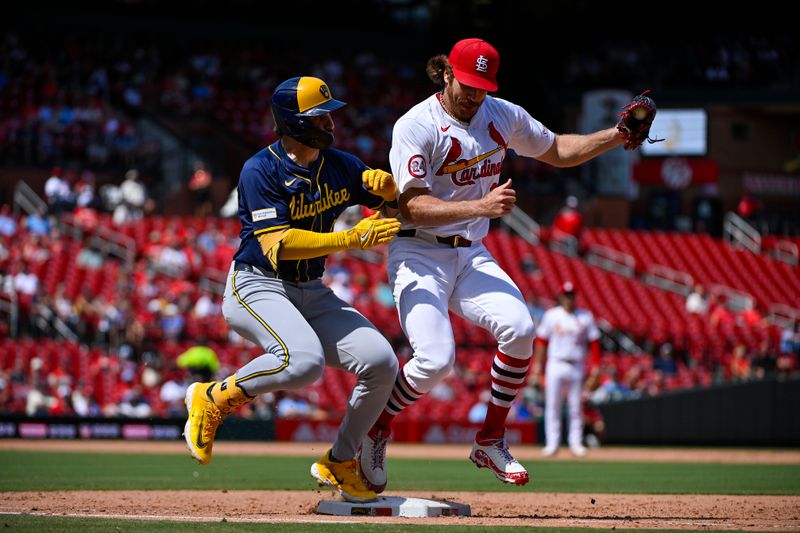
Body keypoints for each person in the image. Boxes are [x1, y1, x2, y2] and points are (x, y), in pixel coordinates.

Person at [359, 37, 642, 492]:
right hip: (418, 252)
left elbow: (559, 151)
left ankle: (490, 438)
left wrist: (616, 135)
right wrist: (482, 206)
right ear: (446, 74)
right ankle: (376, 429)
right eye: (467, 83)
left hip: (469, 252)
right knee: (435, 363)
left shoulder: (502, 114)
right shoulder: (415, 125)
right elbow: (411, 207)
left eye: (482, 86)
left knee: (522, 329)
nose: (474, 94)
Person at [182, 76, 400, 504]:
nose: (329, 122)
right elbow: (277, 245)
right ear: (293, 123)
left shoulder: (340, 163)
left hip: (310, 289)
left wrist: (390, 193)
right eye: (318, 115)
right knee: (304, 363)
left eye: (329, 113)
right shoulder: (259, 169)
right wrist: (350, 239)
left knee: (381, 362)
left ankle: (340, 460)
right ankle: (213, 397)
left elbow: (388, 211)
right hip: (257, 283)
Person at [533, 282, 601, 457]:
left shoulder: (585, 316)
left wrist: (595, 366)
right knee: (553, 405)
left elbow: (594, 342)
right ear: (561, 296)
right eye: (566, 295)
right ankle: (552, 444)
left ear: (574, 297)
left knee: (575, 406)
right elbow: (541, 340)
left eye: (571, 295)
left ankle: (575, 443)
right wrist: (537, 365)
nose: (568, 298)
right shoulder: (552, 315)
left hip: (576, 364)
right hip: (555, 363)